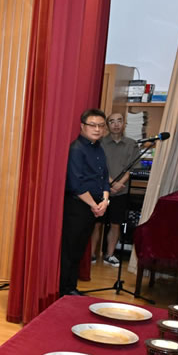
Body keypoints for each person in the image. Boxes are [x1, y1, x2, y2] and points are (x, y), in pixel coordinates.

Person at [60, 108, 110, 296]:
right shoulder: (76, 149)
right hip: (78, 206)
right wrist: (93, 205)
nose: (97, 129)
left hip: (95, 206)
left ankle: (72, 288)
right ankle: (64, 290)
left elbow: (104, 176)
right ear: (83, 126)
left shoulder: (99, 148)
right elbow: (76, 183)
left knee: (80, 249)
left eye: (100, 126)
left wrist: (105, 201)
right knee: (70, 250)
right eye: (93, 125)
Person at [91, 112, 139, 266]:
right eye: (112, 121)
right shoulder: (100, 143)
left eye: (119, 121)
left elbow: (131, 168)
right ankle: (92, 254)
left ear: (124, 123)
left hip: (121, 190)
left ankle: (109, 255)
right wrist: (111, 183)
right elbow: (98, 167)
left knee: (116, 223)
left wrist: (119, 184)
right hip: (101, 189)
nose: (116, 124)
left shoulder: (132, 144)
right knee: (97, 223)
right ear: (107, 125)